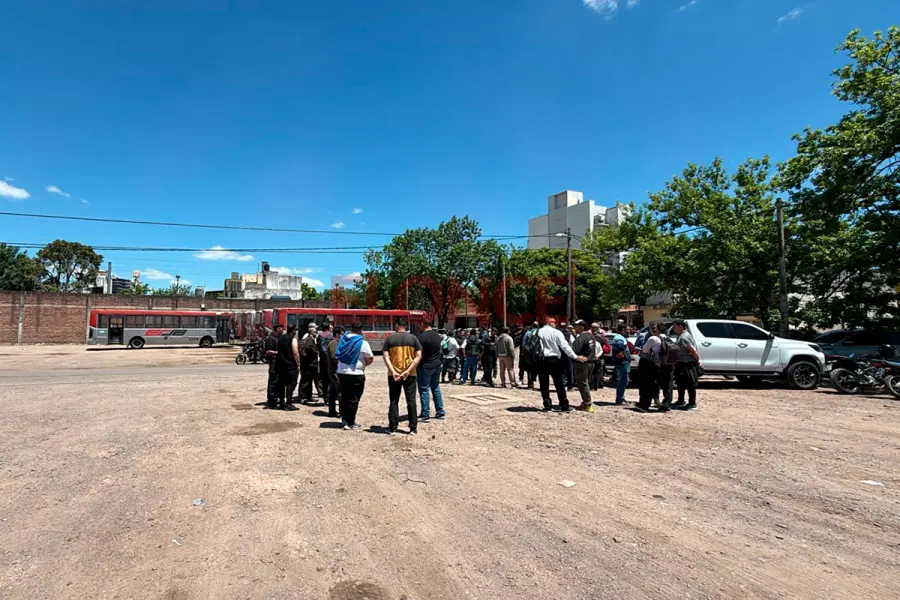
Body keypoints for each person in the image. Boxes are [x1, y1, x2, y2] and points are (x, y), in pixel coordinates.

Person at [537, 317, 587, 412]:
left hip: (541, 360)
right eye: (554, 322)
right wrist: (575, 356)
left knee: (544, 383)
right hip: (555, 360)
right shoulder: (556, 332)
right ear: (550, 323)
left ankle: (547, 405)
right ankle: (564, 404)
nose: (555, 324)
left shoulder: (538, 332)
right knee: (559, 383)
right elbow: (565, 346)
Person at [382, 318, 422, 435]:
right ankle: (413, 428)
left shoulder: (390, 339)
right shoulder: (414, 338)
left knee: (394, 400)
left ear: (397, 325)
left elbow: (386, 357)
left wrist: (393, 370)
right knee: (411, 400)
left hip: (394, 375)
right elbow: (418, 356)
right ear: (406, 326)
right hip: (410, 374)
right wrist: (408, 370)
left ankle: (392, 427)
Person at [335, 322, 373, 430]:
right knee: (354, 398)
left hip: (341, 373)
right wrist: (364, 365)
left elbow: (337, 355)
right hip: (356, 373)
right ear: (361, 330)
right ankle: (351, 422)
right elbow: (370, 357)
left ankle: (344, 419)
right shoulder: (363, 343)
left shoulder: (342, 340)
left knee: (344, 396)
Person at [417, 322, 446, 422]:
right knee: (436, 388)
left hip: (425, 366)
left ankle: (425, 414)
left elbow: (418, 353)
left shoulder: (422, 337)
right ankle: (440, 411)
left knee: (424, 389)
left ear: (423, 325)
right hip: (437, 365)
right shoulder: (437, 336)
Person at [672, 319, 701, 410]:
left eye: (675, 326)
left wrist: (697, 360)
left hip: (687, 363)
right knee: (680, 383)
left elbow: (692, 350)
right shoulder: (682, 335)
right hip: (681, 363)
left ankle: (692, 403)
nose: (673, 329)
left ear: (681, 326)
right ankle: (681, 400)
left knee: (690, 384)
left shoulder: (684, 337)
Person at [636, 321, 665, 413]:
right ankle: (646, 401)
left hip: (651, 362)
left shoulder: (655, 338)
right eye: (651, 327)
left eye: (654, 328)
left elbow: (646, 349)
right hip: (652, 362)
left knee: (650, 383)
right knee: (649, 383)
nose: (653, 329)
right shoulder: (643, 335)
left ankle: (649, 402)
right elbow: (637, 345)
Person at [571, 320, 597, 412]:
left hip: (582, 363)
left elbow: (574, 351)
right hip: (591, 362)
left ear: (582, 327)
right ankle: (586, 402)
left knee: (582, 383)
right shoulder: (591, 336)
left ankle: (587, 403)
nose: (574, 328)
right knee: (586, 383)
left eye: (576, 326)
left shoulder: (581, 338)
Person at [274, 324, 300, 411]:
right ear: (294, 331)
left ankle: (281, 402)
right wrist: (298, 364)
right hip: (291, 365)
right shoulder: (293, 339)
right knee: (290, 384)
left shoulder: (281, 338)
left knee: (281, 384)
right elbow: (295, 352)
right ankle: (289, 403)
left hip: (281, 364)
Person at [297, 324, 320, 404]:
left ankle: (308, 396)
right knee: (306, 380)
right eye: (315, 331)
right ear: (311, 331)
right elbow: (308, 348)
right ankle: (303, 396)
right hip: (309, 364)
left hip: (308, 363)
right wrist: (316, 351)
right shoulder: (309, 339)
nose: (316, 332)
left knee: (309, 381)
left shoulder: (310, 338)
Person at [325, 325, 343, 418]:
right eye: (341, 334)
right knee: (339, 390)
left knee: (333, 391)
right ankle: (341, 411)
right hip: (334, 370)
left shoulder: (335, 342)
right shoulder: (334, 343)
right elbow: (334, 356)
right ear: (337, 334)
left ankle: (332, 410)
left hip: (333, 370)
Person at [610, 324, 630, 405]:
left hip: (623, 362)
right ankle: (619, 399)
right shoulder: (619, 338)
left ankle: (621, 397)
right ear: (623, 330)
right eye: (627, 329)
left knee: (623, 380)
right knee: (623, 381)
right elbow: (620, 349)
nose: (629, 331)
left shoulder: (620, 338)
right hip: (622, 362)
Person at [264, 324, 282, 407]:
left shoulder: (280, 338)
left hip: (279, 362)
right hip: (273, 362)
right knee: (272, 380)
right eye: (280, 328)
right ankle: (271, 398)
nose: (282, 330)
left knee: (278, 380)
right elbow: (267, 351)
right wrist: (276, 353)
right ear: (277, 329)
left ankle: (276, 396)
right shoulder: (271, 339)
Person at [519, 321, 539, 388]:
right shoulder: (540, 332)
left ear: (532, 325)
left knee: (529, 367)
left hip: (529, 353)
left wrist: (524, 353)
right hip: (538, 353)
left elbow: (524, 344)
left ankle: (530, 382)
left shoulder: (528, 333)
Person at [317, 323, 334, 402]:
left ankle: (325, 397)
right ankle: (331, 396)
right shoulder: (332, 335)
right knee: (332, 378)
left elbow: (318, 347)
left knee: (324, 379)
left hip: (323, 360)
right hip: (331, 360)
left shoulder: (320, 336)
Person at [590, 323, 607, 392]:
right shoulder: (601, 337)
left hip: (592, 356)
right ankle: (597, 386)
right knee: (598, 371)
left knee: (592, 371)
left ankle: (592, 386)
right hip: (599, 356)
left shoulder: (590, 336)